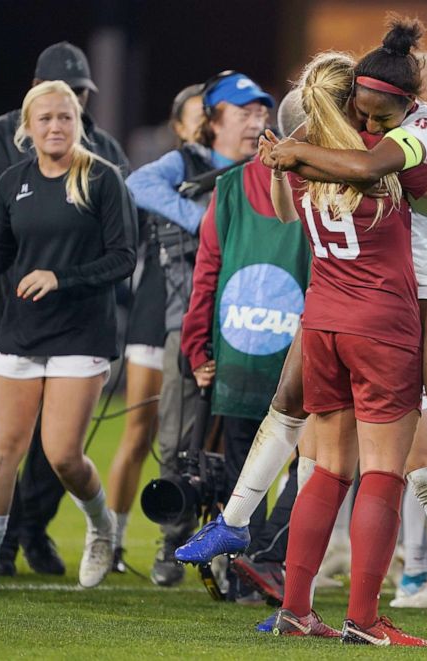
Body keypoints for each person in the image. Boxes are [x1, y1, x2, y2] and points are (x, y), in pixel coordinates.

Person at [266, 17, 427, 577]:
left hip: (378, 305)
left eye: (381, 115)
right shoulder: (343, 154)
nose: (371, 122)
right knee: (385, 467)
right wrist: (295, 155)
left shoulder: (410, 145)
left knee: (342, 456)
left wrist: (290, 156)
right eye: (362, 112)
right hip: (377, 313)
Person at [0, 80, 136, 593]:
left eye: (65, 117)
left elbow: (123, 259)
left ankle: (101, 528)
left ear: (77, 123)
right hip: (21, 332)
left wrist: (60, 279)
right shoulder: (12, 181)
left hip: (81, 333)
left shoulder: (103, 179)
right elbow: (0, 254)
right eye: (45, 118)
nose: (56, 126)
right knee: (1, 449)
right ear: (27, 128)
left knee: (62, 455)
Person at [125, 71, 273, 586]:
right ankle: (175, 540)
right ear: (212, 121)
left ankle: (242, 556)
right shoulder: (185, 162)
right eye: (244, 112)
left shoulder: (267, 167)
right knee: (178, 439)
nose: (257, 121)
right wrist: (205, 220)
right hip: (185, 317)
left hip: (250, 325)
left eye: (261, 112)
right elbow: (137, 183)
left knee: (248, 442)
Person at [179, 90, 312, 604]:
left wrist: (198, 345)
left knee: (245, 461)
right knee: (319, 460)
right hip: (304, 343)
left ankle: (245, 571)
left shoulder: (230, 185)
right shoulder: (329, 183)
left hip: (239, 339)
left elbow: (207, 269)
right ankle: (267, 560)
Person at [107, 83, 204, 573]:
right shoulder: (170, 172)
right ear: (180, 127)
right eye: (196, 117)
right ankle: (110, 539)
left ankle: (189, 539)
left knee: (200, 436)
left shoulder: (236, 172)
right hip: (155, 312)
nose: (205, 123)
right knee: (140, 430)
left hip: (206, 315)